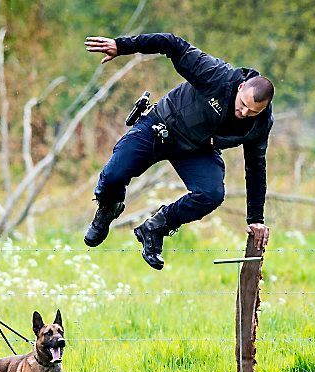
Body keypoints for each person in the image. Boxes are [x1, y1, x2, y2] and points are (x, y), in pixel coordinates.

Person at [83, 33, 274, 269]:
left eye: (252, 111)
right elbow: (172, 44)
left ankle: (155, 228)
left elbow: (256, 167)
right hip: (162, 125)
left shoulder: (260, 124)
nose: (244, 113)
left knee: (211, 194)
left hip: (197, 149)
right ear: (241, 87)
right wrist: (122, 46)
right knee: (114, 175)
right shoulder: (215, 75)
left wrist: (255, 218)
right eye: (243, 105)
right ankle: (108, 206)